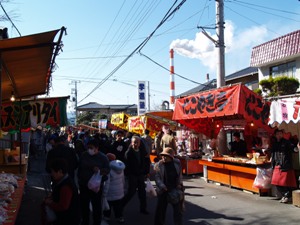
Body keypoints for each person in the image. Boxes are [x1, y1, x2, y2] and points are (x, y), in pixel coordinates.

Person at [77, 139, 110, 225]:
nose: (89, 150)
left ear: (97, 148)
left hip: (96, 187)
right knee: (84, 206)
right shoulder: (84, 155)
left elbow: (107, 170)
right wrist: (79, 180)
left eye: (91, 148)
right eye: (88, 148)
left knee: (96, 206)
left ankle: (97, 222)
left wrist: (100, 170)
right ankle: (85, 221)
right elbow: (79, 168)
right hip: (84, 185)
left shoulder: (103, 157)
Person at [42, 158, 80, 225]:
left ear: (60, 171)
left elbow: (63, 206)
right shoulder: (62, 180)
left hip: (67, 220)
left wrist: (49, 203)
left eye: (52, 171)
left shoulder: (66, 186)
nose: (51, 174)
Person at [153, 147, 184, 225]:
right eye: (162, 155)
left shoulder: (177, 163)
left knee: (177, 211)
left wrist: (180, 183)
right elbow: (157, 178)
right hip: (163, 190)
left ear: (171, 157)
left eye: (165, 156)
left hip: (174, 189)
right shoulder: (158, 165)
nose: (163, 157)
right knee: (160, 210)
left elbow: (179, 175)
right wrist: (162, 186)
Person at [122, 136, 150, 215]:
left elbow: (147, 161)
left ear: (140, 143)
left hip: (141, 174)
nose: (136, 144)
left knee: (142, 193)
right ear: (131, 143)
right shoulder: (128, 153)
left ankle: (143, 209)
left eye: (137, 142)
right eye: (134, 142)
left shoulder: (142, 151)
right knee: (131, 192)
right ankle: (121, 206)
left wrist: (146, 172)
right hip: (132, 175)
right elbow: (126, 165)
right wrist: (128, 174)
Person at [270, 129, 298, 203]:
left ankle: (287, 196)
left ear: (282, 134)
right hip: (277, 165)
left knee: (285, 183)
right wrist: (272, 161)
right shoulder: (274, 143)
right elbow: (273, 154)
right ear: (275, 135)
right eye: (278, 134)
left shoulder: (286, 142)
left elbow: (293, 148)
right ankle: (285, 195)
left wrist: (296, 148)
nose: (279, 135)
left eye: (280, 134)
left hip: (285, 165)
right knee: (275, 182)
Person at [102, 153, 126, 223]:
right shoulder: (120, 168)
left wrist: (104, 193)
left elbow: (107, 183)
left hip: (110, 192)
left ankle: (107, 217)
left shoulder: (108, 169)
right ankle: (120, 217)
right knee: (118, 206)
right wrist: (123, 189)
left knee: (108, 205)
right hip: (119, 191)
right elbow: (123, 180)